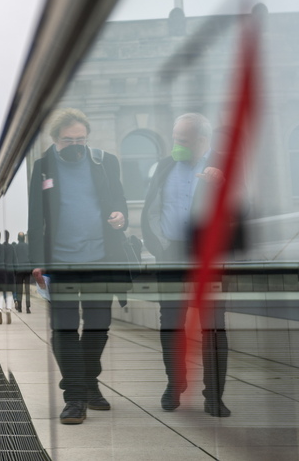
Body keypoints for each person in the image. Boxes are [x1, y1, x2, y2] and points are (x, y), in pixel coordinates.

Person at [27, 108, 129, 425]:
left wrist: (119, 217)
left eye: (81, 139)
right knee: (65, 329)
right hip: (60, 264)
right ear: (56, 139)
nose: (76, 145)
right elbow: (35, 219)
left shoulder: (104, 162)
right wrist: (37, 263)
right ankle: (74, 396)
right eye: (69, 140)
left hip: (101, 260)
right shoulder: (43, 168)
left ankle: (88, 381)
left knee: (98, 326)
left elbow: (120, 203)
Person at [141, 113, 232, 418]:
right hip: (171, 256)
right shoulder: (166, 166)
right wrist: (159, 246)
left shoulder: (224, 165)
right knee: (171, 324)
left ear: (202, 140)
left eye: (183, 140)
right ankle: (174, 384)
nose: (176, 144)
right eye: (175, 137)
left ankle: (214, 395)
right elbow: (151, 208)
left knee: (213, 327)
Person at [13, 232, 32, 313]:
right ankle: (28, 307)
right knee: (27, 289)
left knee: (19, 289)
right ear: (24, 238)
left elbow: (14, 260)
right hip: (27, 270)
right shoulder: (28, 246)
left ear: (18, 238)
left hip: (19, 270)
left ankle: (20, 307)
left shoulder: (15, 247)